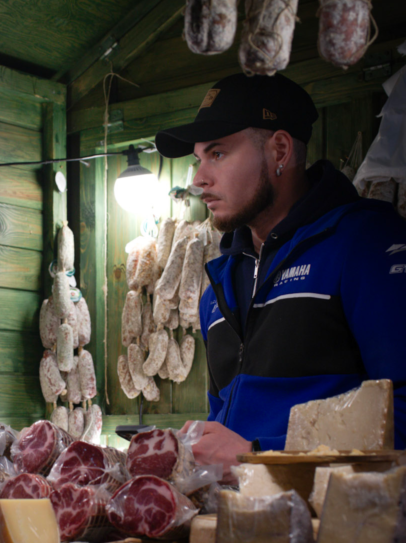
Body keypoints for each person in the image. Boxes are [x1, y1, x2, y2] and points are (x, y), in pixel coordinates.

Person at [155, 72, 406, 479]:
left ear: (281, 150)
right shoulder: (216, 290)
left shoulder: (365, 243)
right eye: (197, 159)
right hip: (241, 529)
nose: (199, 179)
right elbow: (224, 430)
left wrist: (258, 455)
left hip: (340, 533)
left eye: (217, 154)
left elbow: (402, 413)